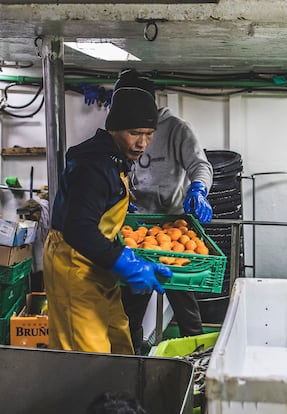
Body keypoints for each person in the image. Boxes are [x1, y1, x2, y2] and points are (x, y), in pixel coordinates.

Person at [43, 84, 173, 354]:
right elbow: (77, 228)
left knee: (118, 341)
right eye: (134, 133)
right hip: (74, 263)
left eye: (149, 134)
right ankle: (87, 397)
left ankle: (120, 395)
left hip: (98, 262)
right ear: (114, 128)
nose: (142, 143)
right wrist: (125, 262)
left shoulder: (116, 158)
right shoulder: (94, 166)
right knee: (87, 355)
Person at [117, 69, 214, 354]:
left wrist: (198, 189)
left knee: (183, 299)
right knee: (132, 303)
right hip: (134, 229)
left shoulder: (175, 128)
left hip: (171, 228)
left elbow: (200, 165)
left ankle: (194, 358)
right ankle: (132, 359)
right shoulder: (120, 129)